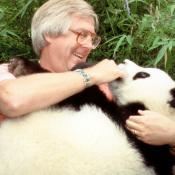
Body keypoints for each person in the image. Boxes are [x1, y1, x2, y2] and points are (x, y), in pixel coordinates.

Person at [0, 0, 123, 119]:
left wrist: (141, 132)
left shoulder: (102, 87)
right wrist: (90, 75)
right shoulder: (11, 71)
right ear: (50, 33)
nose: (89, 45)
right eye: (83, 35)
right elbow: (11, 100)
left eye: (92, 39)